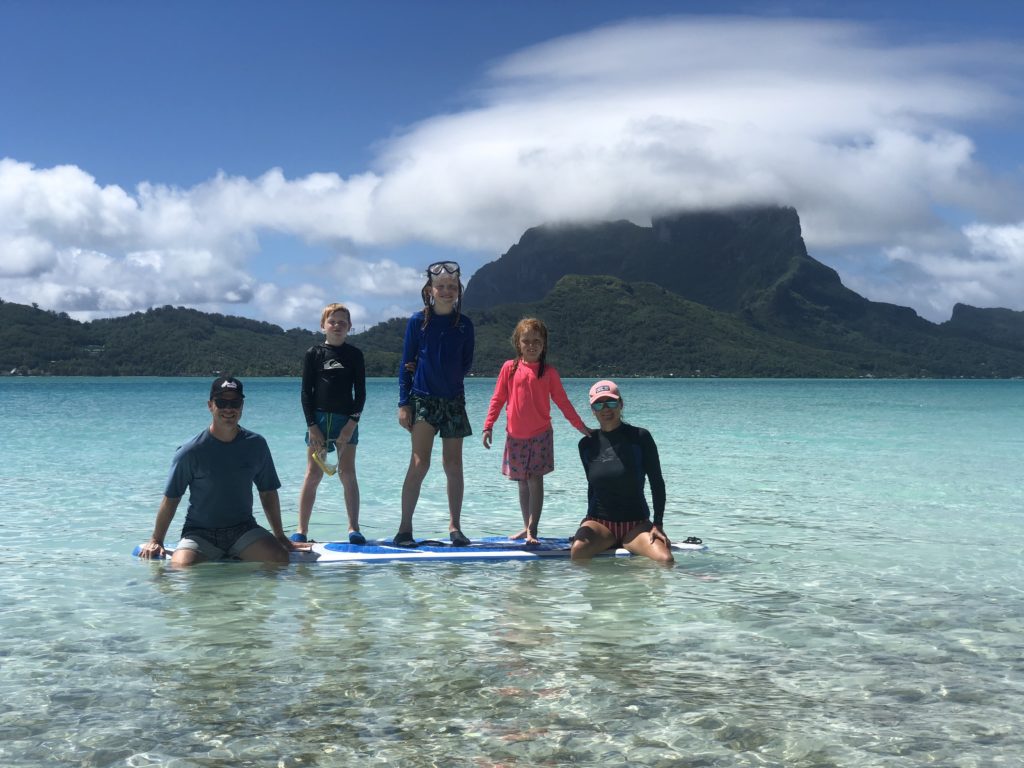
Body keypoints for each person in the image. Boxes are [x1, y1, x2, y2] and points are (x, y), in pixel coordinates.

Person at [138, 377, 299, 566]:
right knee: (180, 568)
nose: (229, 409)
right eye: (222, 403)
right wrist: (157, 539)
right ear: (210, 405)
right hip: (200, 533)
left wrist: (280, 536)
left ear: (242, 406)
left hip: (243, 530)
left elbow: (268, 492)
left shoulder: (256, 445)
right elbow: (171, 498)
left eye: (235, 403)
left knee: (280, 559)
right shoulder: (190, 451)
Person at [482, 317, 591, 544]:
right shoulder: (509, 368)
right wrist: (488, 426)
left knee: (535, 480)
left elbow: (563, 403)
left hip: (540, 435)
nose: (531, 345)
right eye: (526, 341)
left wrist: (581, 427)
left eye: (537, 341)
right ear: (518, 343)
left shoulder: (549, 373)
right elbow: (498, 399)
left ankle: (533, 528)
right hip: (515, 436)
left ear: (544, 345)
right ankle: (526, 527)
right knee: (522, 483)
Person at [395, 261, 475, 547]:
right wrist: (404, 403)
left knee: (453, 465)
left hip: (453, 400)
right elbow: (405, 362)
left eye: (452, 287)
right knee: (420, 463)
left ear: (458, 290)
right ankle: (405, 528)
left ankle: (455, 527)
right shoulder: (418, 321)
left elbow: (465, 364)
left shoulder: (464, 325)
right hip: (423, 399)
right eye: (441, 286)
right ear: (430, 290)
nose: (446, 291)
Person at [571, 380, 674, 563]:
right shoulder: (586, 444)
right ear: (593, 410)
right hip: (600, 524)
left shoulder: (640, 437)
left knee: (665, 560)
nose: (605, 409)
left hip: (636, 525)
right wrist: (586, 522)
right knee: (578, 552)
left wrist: (658, 524)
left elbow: (657, 482)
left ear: (621, 404)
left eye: (611, 402)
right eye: (598, 404)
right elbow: (592, 486)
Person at [293, 303, 366, 545]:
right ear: (323, 325)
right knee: (313, 474)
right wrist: (312, 426)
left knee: (348, 473)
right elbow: (306, 393)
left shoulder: (355, 355)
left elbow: (361, 393)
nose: (337, 326)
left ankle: (353, 528)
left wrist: (351, 424)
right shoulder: (313, 354)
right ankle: (301, 530)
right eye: (332, 321)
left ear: (350, 327)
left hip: (346, 420)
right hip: (319, 420)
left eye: (342, 322)